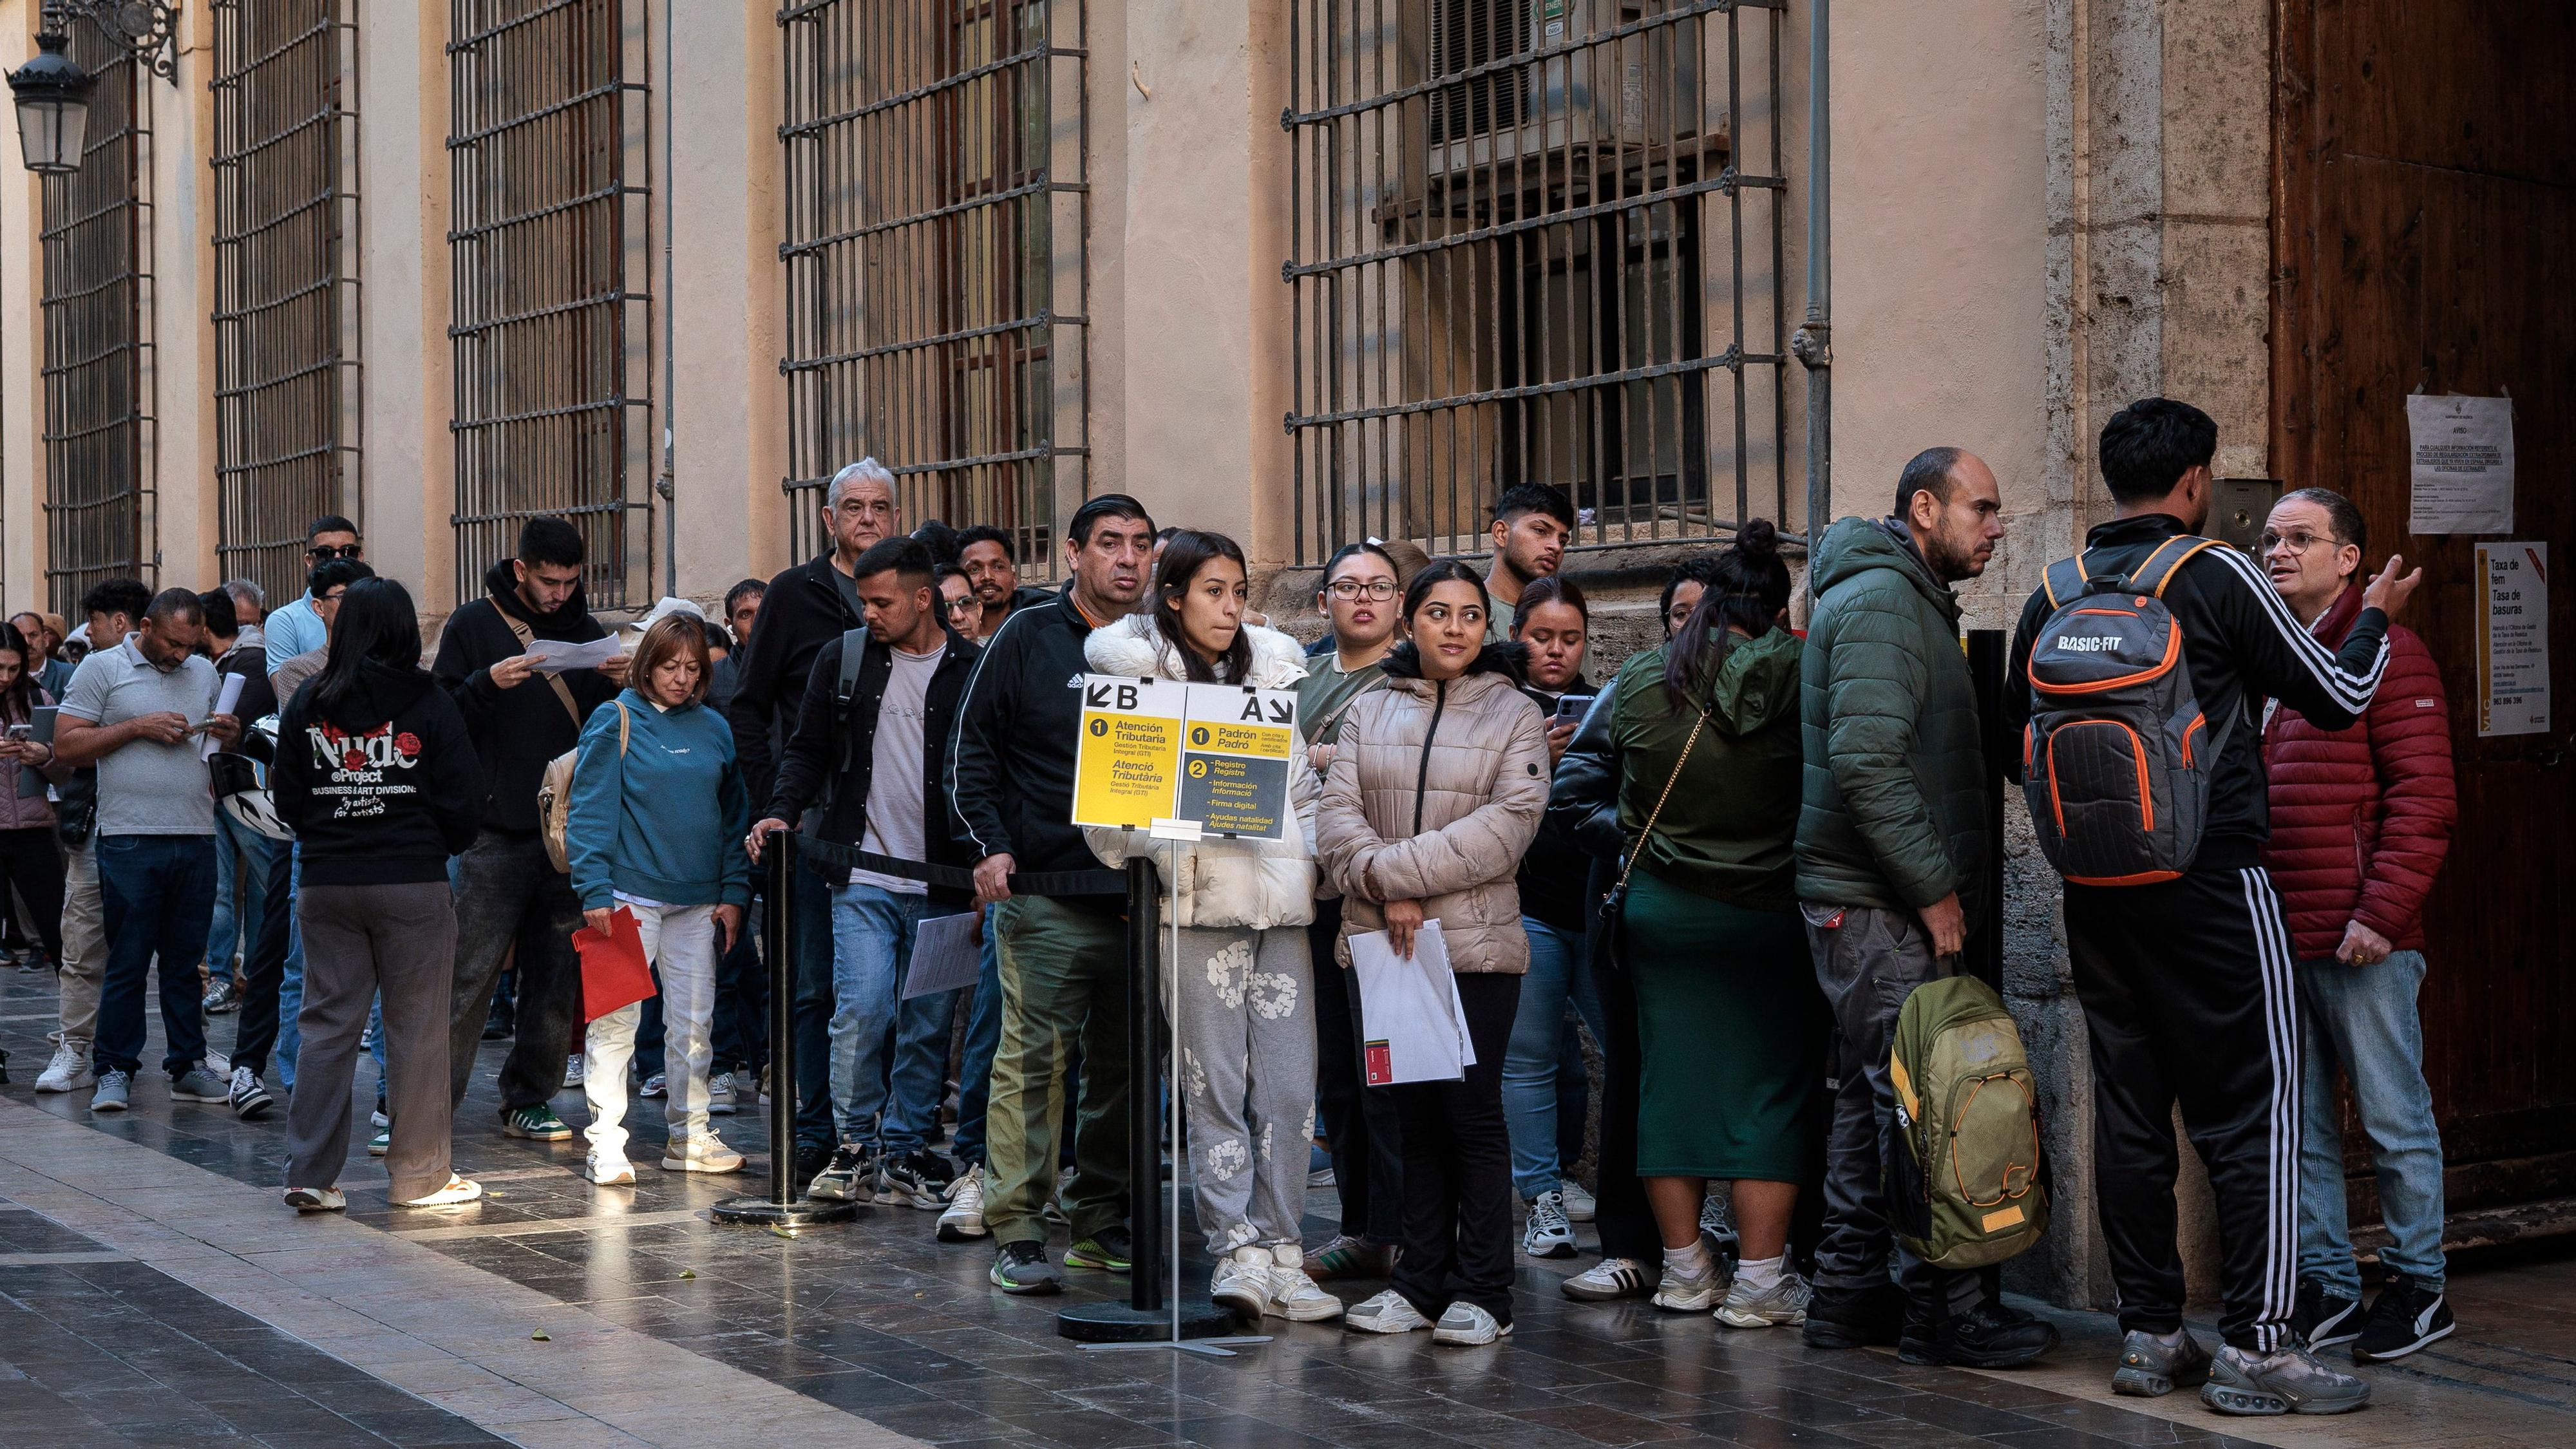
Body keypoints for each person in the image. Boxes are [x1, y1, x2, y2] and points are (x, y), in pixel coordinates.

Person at [2003, 398, 2418, 1416]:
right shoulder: (2216, 571)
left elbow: (2014, 742)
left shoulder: (2053, 590)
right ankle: (2261, 1345)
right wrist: (2376, 616)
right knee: (2254, 1110)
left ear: (2113, 479)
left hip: (2097, 893)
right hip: (2215, 882)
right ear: (2195, 481)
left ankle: (2150, 1334)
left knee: (2130, 1110)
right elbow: (2338, 694)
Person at [1794, 449, 2058, 1367]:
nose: (1997, 529)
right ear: (1922, 508)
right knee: (1925, 1103)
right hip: (1881, 906)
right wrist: (1934, 891)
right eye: (1981, 509)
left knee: (1877, 1100)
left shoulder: (1903, 598)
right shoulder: (1880, 603)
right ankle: (1946, 1313)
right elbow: (1868, 764)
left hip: (1870, 901)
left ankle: (1847, 1295)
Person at [1549, 522, 1824, 1331]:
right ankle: (1762, 1281)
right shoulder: (1805, 673)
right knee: (1770, 1094)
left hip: (1662, 913)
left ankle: (1683, 1272)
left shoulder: (1643, 677)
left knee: (1665, 1089)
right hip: (1766, 915)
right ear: (1775, 610)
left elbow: (1582, 788)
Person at [1082, 530, 1343, 1323]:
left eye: (1238, 592)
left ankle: (1285, 1250)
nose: (1231, 609)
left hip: (1282, 909)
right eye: (1213, 591)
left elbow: (1300, 792)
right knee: (1214, 1087)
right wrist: (1179, 834)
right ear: (1173, 597)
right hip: (1195, 911)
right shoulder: (1131, 682)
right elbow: (1107, 826)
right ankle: (1236, 1247)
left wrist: (1315, 863)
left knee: (1290, 1089)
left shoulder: (1271, 675)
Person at [1316, 560, 1549, 1347]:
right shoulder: (1369, 706)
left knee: (1469, 1116)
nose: (1455, 628)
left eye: (1471, 615)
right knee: (1408, 1117)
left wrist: (1397, 878)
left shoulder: (1514, 712)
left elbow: (1509, 826)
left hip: (1473, 946)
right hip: (1385, 944)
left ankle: (1485, 1291)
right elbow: (1336, 816)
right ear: (1408, 620)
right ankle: (1419, 1282)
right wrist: (1389, 890)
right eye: (1438, 613)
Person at [2258, 488, 2458, 1363]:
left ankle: (2419, 1286)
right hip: (2282, 935)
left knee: (2392, 1117)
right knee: (2300, 1124)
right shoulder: (2277, 655)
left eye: (2300, 538)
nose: (2278, 551)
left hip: (2361, 940)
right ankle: (2329, 1284)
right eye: (2270, 538)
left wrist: (2380, 914)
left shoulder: (2391, 655)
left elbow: (2425, 801)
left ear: (2349, 560)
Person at [949, 493, 1156, 1293]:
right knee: (1031, 1068)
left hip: (1145, 903)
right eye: (1110, 543)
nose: (1128, 559)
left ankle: (1100, 1221)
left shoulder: (1165, 644)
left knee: (1124, 1075)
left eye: (1140, 544)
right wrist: (991, 847)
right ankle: (1019, 1229)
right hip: (1046, 897)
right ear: (1073, 554)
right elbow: (970, 750)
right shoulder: (1028, 635)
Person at [746, 536, 978, 1206]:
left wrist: (987, 860)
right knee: (862, 1010)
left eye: (882, 602)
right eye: (864, 601)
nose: (869, 613)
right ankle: (854, 1146)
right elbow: (806, 751)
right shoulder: (843, 658)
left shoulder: (974, 668)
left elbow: (990, 771)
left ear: (924, 599)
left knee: (927, 1022)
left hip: (945, 883)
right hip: (861, 875)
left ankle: (904, 1148)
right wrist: (780, 812)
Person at [274, 578, 486, 1211]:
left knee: (326, 1026)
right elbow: (464, 799)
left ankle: (309, 1175)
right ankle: (420, 1176)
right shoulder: (430, 700)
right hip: (412, 882)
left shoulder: (309, 699)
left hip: (327, 884)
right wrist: (432, 843)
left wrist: (329, 834)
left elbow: (287, 796)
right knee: (417, 1028)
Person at [728, 459, 904, 1183]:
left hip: (897, 827)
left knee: (888, 988)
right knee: (811, 984)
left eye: (880, 507)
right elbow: (748, 706)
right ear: (828, 519)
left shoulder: (914, 593)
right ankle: (813, 1129)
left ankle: (882, 1134)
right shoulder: (793, 595)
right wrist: (779, 803)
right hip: (812, 825)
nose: (867, 518)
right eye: (853, 507)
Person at [433, 517, 629, 1142]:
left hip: (565, 834)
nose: (559, 595)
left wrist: (619, 685)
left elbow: (599, 732)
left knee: (555, 974)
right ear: (521, 570)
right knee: (468, 973)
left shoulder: (589, 632)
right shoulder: (473, 625)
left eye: (570, 582)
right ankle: (426, 1106)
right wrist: (484, 684)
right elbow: (439, 718)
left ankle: (529, 1096)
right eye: (549, 582)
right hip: (494, 831)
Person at [1551, 564, 1708, 1305]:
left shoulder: (1765, 694)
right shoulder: (1634, 690)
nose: (1694, 626)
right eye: (1679, 614)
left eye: (1707, 612)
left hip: (1727, 920)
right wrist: (1653, 838)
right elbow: (1574, 797)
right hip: (1633, 910)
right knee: (1634, 1073)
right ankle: (1630, 1246)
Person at [568, 613, 753, 1183]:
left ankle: (690, 1135)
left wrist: (734, 891)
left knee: (695, 1024)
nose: (681, 678)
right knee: (615, 1023)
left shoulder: (714, 728)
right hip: (626, 898)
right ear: (646, 665)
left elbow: (734, 818)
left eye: (693, 669)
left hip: (698, 901)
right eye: (670, 666)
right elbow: (590, 810)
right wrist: (593, 888)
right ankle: (605, 1142)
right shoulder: (615, 718)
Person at [52, 589, 243, 1113]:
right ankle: (114, 1068)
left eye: (190, 645)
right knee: (128, 960)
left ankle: (188, 1065)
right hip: (129, 836)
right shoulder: (101, 668)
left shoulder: (204, 673)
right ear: (146, 626)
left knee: (185, 963)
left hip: (196, 833)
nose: (181, 655)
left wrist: (228, 734)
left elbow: (213, 749)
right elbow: (67, 746)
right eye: (173, 643)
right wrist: (138, 726)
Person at [1295, 542, 1406, 1281]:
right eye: (1347, 586)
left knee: (1390, 1072)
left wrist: (1330, 759)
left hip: (1385, 894)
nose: (1362, 598)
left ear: (1399, 602)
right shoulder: (1295, 679)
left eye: (1378, 586)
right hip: (1310, 894)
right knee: (1336, 1072)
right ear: (1323, 601)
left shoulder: (1412, 680)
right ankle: (1360, 1227)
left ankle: (1405, 1230)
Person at [1499, 574, 1610, 1259]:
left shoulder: (1606, 704)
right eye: (1542, 637)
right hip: (1530, 904)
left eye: (1571, 638)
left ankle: (1635, 1188)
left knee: (1627, 1050)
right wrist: (1535, 759)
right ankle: (1539, 1192)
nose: (1556, 651)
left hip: (1598, 905)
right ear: (1516, 636)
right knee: (1529, 1058)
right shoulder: (1495, 708)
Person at [31, 578, 150, 1097]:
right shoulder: (94, 671)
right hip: (96, 826)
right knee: (82, 940)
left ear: (120, 622)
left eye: (96, 622)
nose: (89, 631)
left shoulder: (183, 672)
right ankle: (76, 1045)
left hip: (157, 827)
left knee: (172, 947)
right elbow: (70, 749)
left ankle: (186, 1051)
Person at [198, 587, 279, 1019]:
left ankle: (254, 975)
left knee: (264, 884)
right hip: (216, 788)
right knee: (222, 888)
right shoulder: (217, 662)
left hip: (244, 789)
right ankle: (224, 977)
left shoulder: (250, 661)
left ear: (203, 628)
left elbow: (230, 728)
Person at [0, 621, 68, 978]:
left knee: (60, 933)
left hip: (33, 827)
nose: (6, 677)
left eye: (14, 668)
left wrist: (45, 755)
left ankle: (76, 1012)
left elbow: (66, 769)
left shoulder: (38, 698)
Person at [263, 515, 365, 673]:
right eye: (325, 553)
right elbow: (287, 684)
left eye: (348, 552)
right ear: (309, 561)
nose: (337, 559)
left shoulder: (379, 610)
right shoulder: (286, 620)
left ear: (360, 557)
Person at [1482, 484, 1574, 640]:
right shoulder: (1462, 614)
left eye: (1562, 541)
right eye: (1540, 531)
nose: (1556, 547)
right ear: (1501, 534)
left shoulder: (1567, 621)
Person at [955, 524, 1054, 643]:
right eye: (975, 569)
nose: (987, 577)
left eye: (998, 567)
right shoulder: (945, 637)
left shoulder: (1043, 631)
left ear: (1014, 579)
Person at [707, 578, 766, 717]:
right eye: (746, 615)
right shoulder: (712, 679)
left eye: (764, 612)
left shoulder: (799, 671)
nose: (756, 622)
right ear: (730, 625)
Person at [10, 611, 74, 699]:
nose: (27, 642)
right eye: (20, 637)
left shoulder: (70, 674)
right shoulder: (5, 677)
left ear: (45, 639)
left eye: (33, 635)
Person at [936, 565, 979, 639]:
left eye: (966, 603)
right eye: (945, 607)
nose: (958, 617)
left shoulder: (997, 645)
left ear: (979, 610)